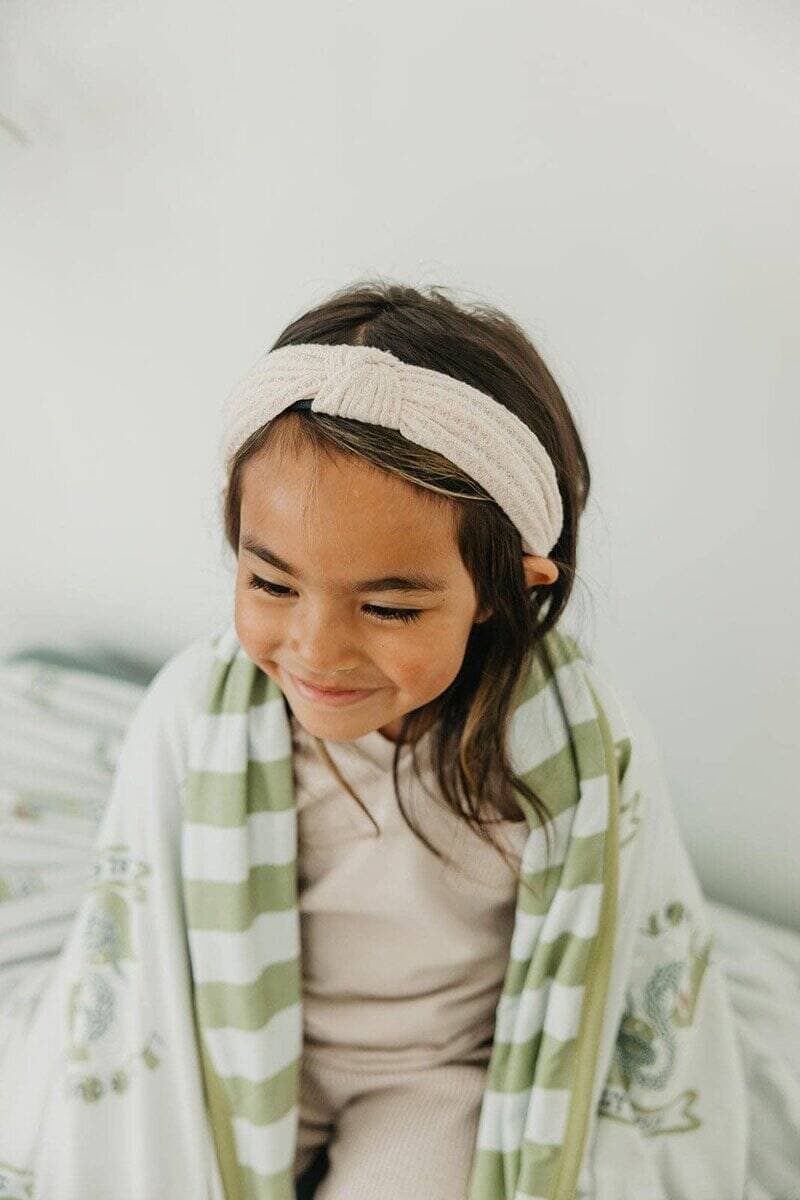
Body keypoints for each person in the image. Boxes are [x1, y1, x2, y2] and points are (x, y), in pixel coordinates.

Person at [0, 280, 748, 1199]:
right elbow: (143, 934)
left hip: (430, 1074)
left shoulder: (575, 745)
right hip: (229, 1035)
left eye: (389, 607)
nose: (316, 650)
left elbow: (624, 949)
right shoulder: (195, 718)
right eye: (271, 585)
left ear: (506, 590)